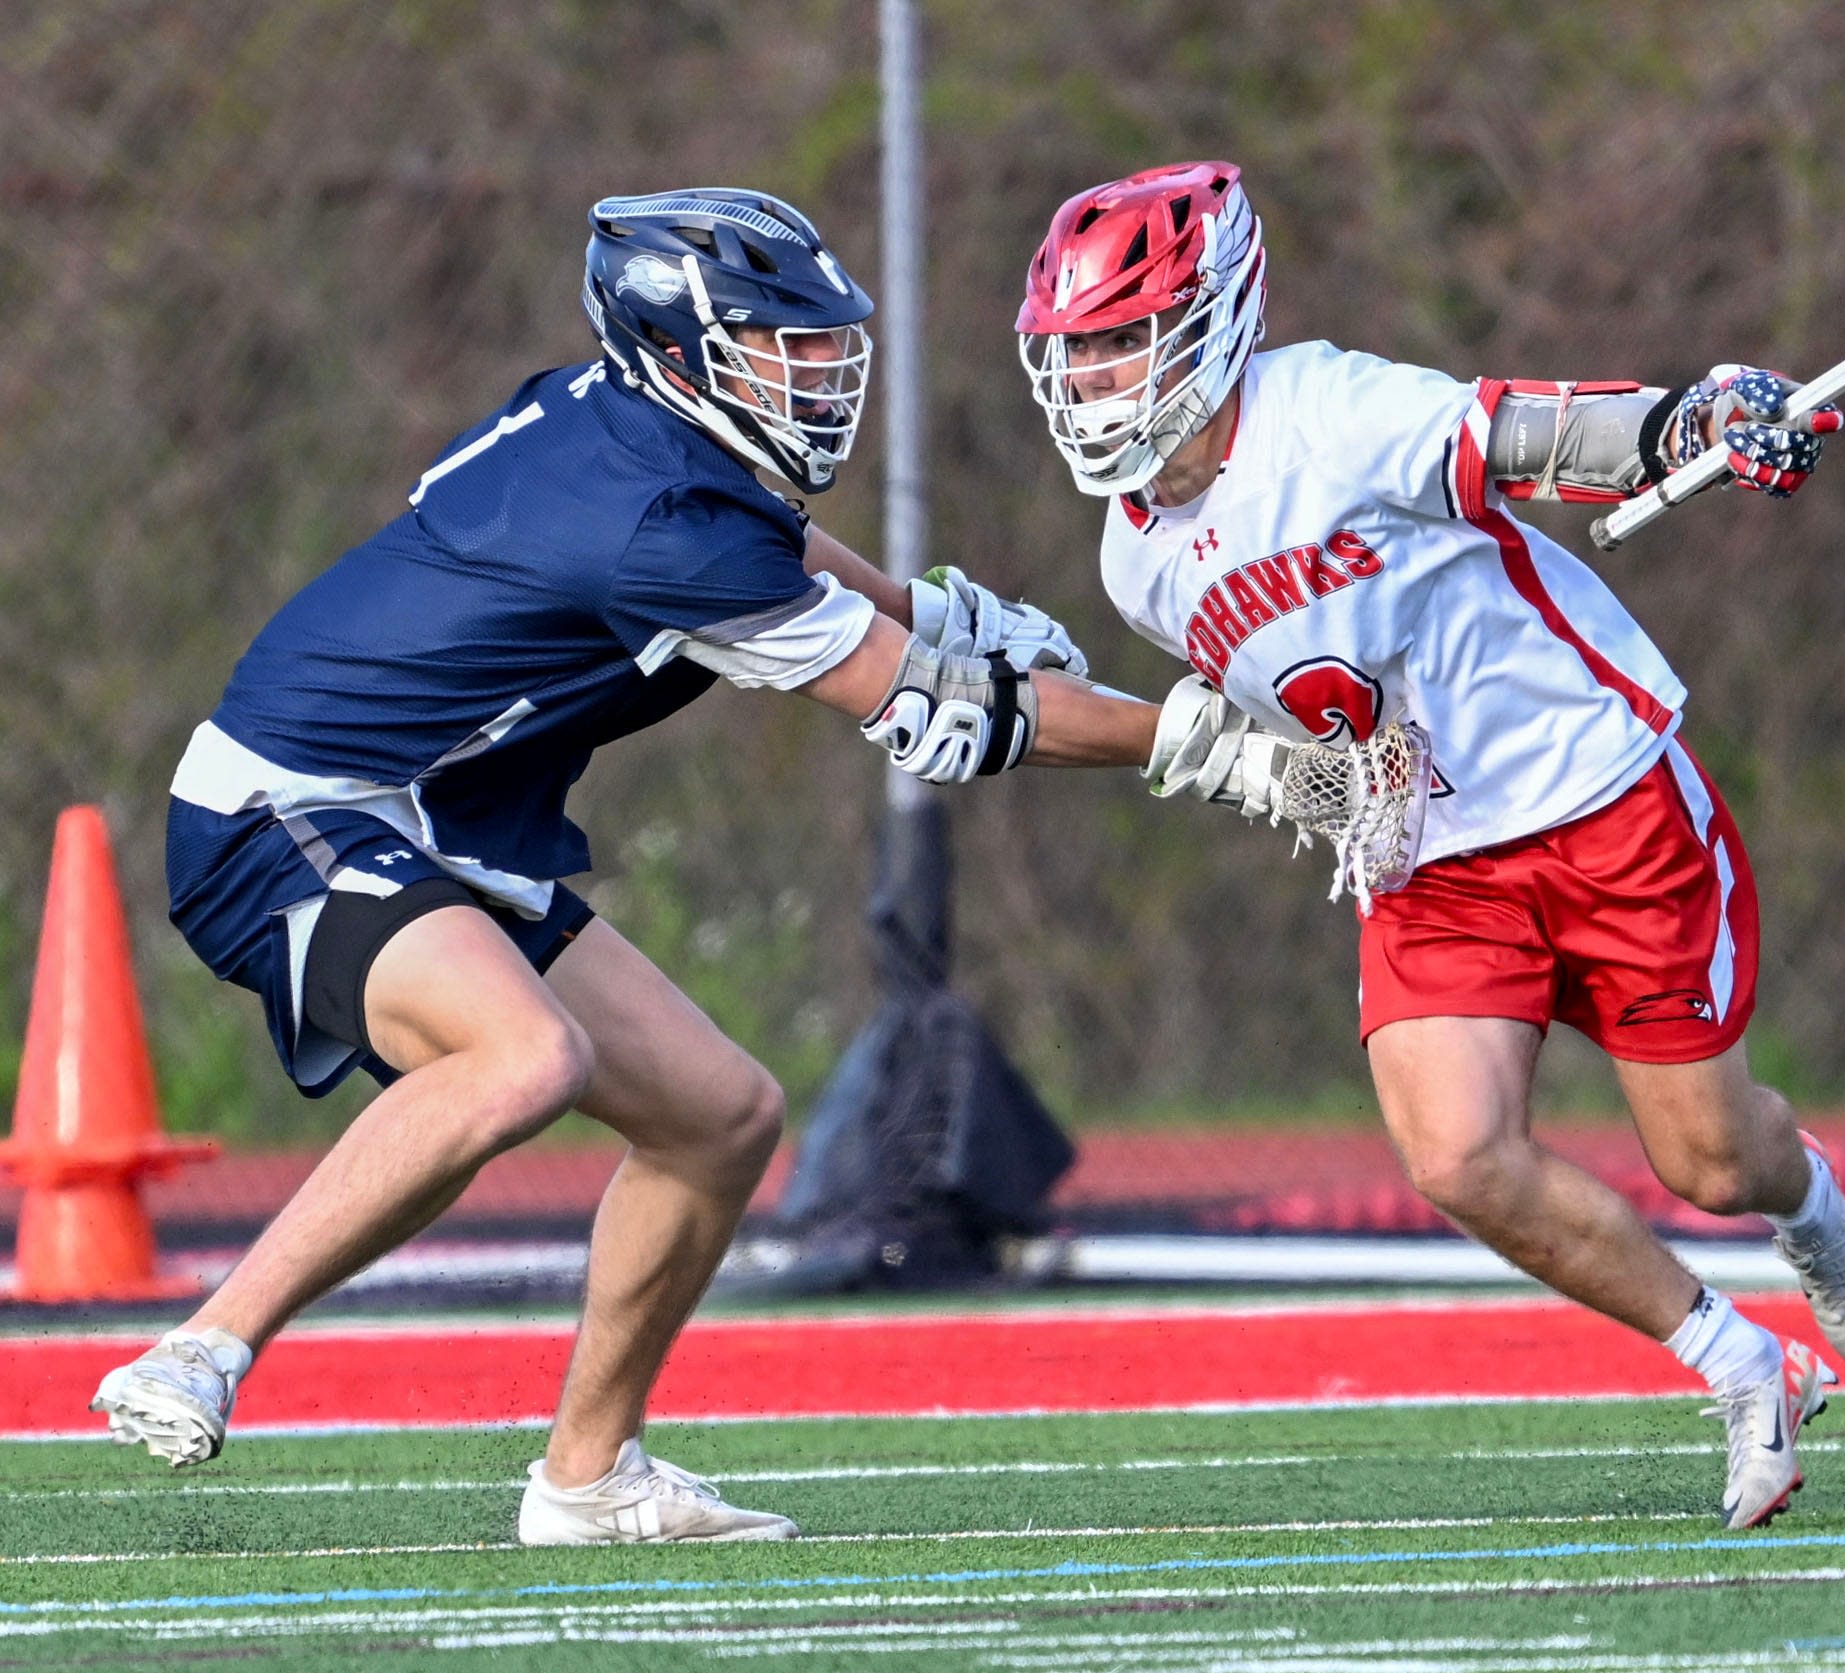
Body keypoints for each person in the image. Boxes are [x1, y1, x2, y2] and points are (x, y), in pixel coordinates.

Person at [95, 188, 1160, 1544]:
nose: (819, 374)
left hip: (442, 812)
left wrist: (923, 601)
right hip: (287, 807)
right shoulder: (659, 527)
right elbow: (947, 719)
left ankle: (590, 1478)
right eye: (781, 346)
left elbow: (770, 538)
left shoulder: (621, 425)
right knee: (526, 1058)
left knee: (719, 1116)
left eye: (824, 345)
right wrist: (1196, 739)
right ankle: (210, 1341)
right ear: (675, 349)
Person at [1014, 162, 1845, 1529]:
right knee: (1459, 1155)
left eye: (1125, 337)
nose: (1099, 376)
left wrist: (1694, 422)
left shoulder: (1332, 411)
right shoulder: (1135, 566)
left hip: (1596, 791)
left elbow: (1525, 434)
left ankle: (1812, 1205)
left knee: (1713, 1164)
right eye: (1079, 350)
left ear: (1215, 317)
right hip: (1431, 857)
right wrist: (1311, 774)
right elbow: (1308, 705)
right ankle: (1738, 1367)